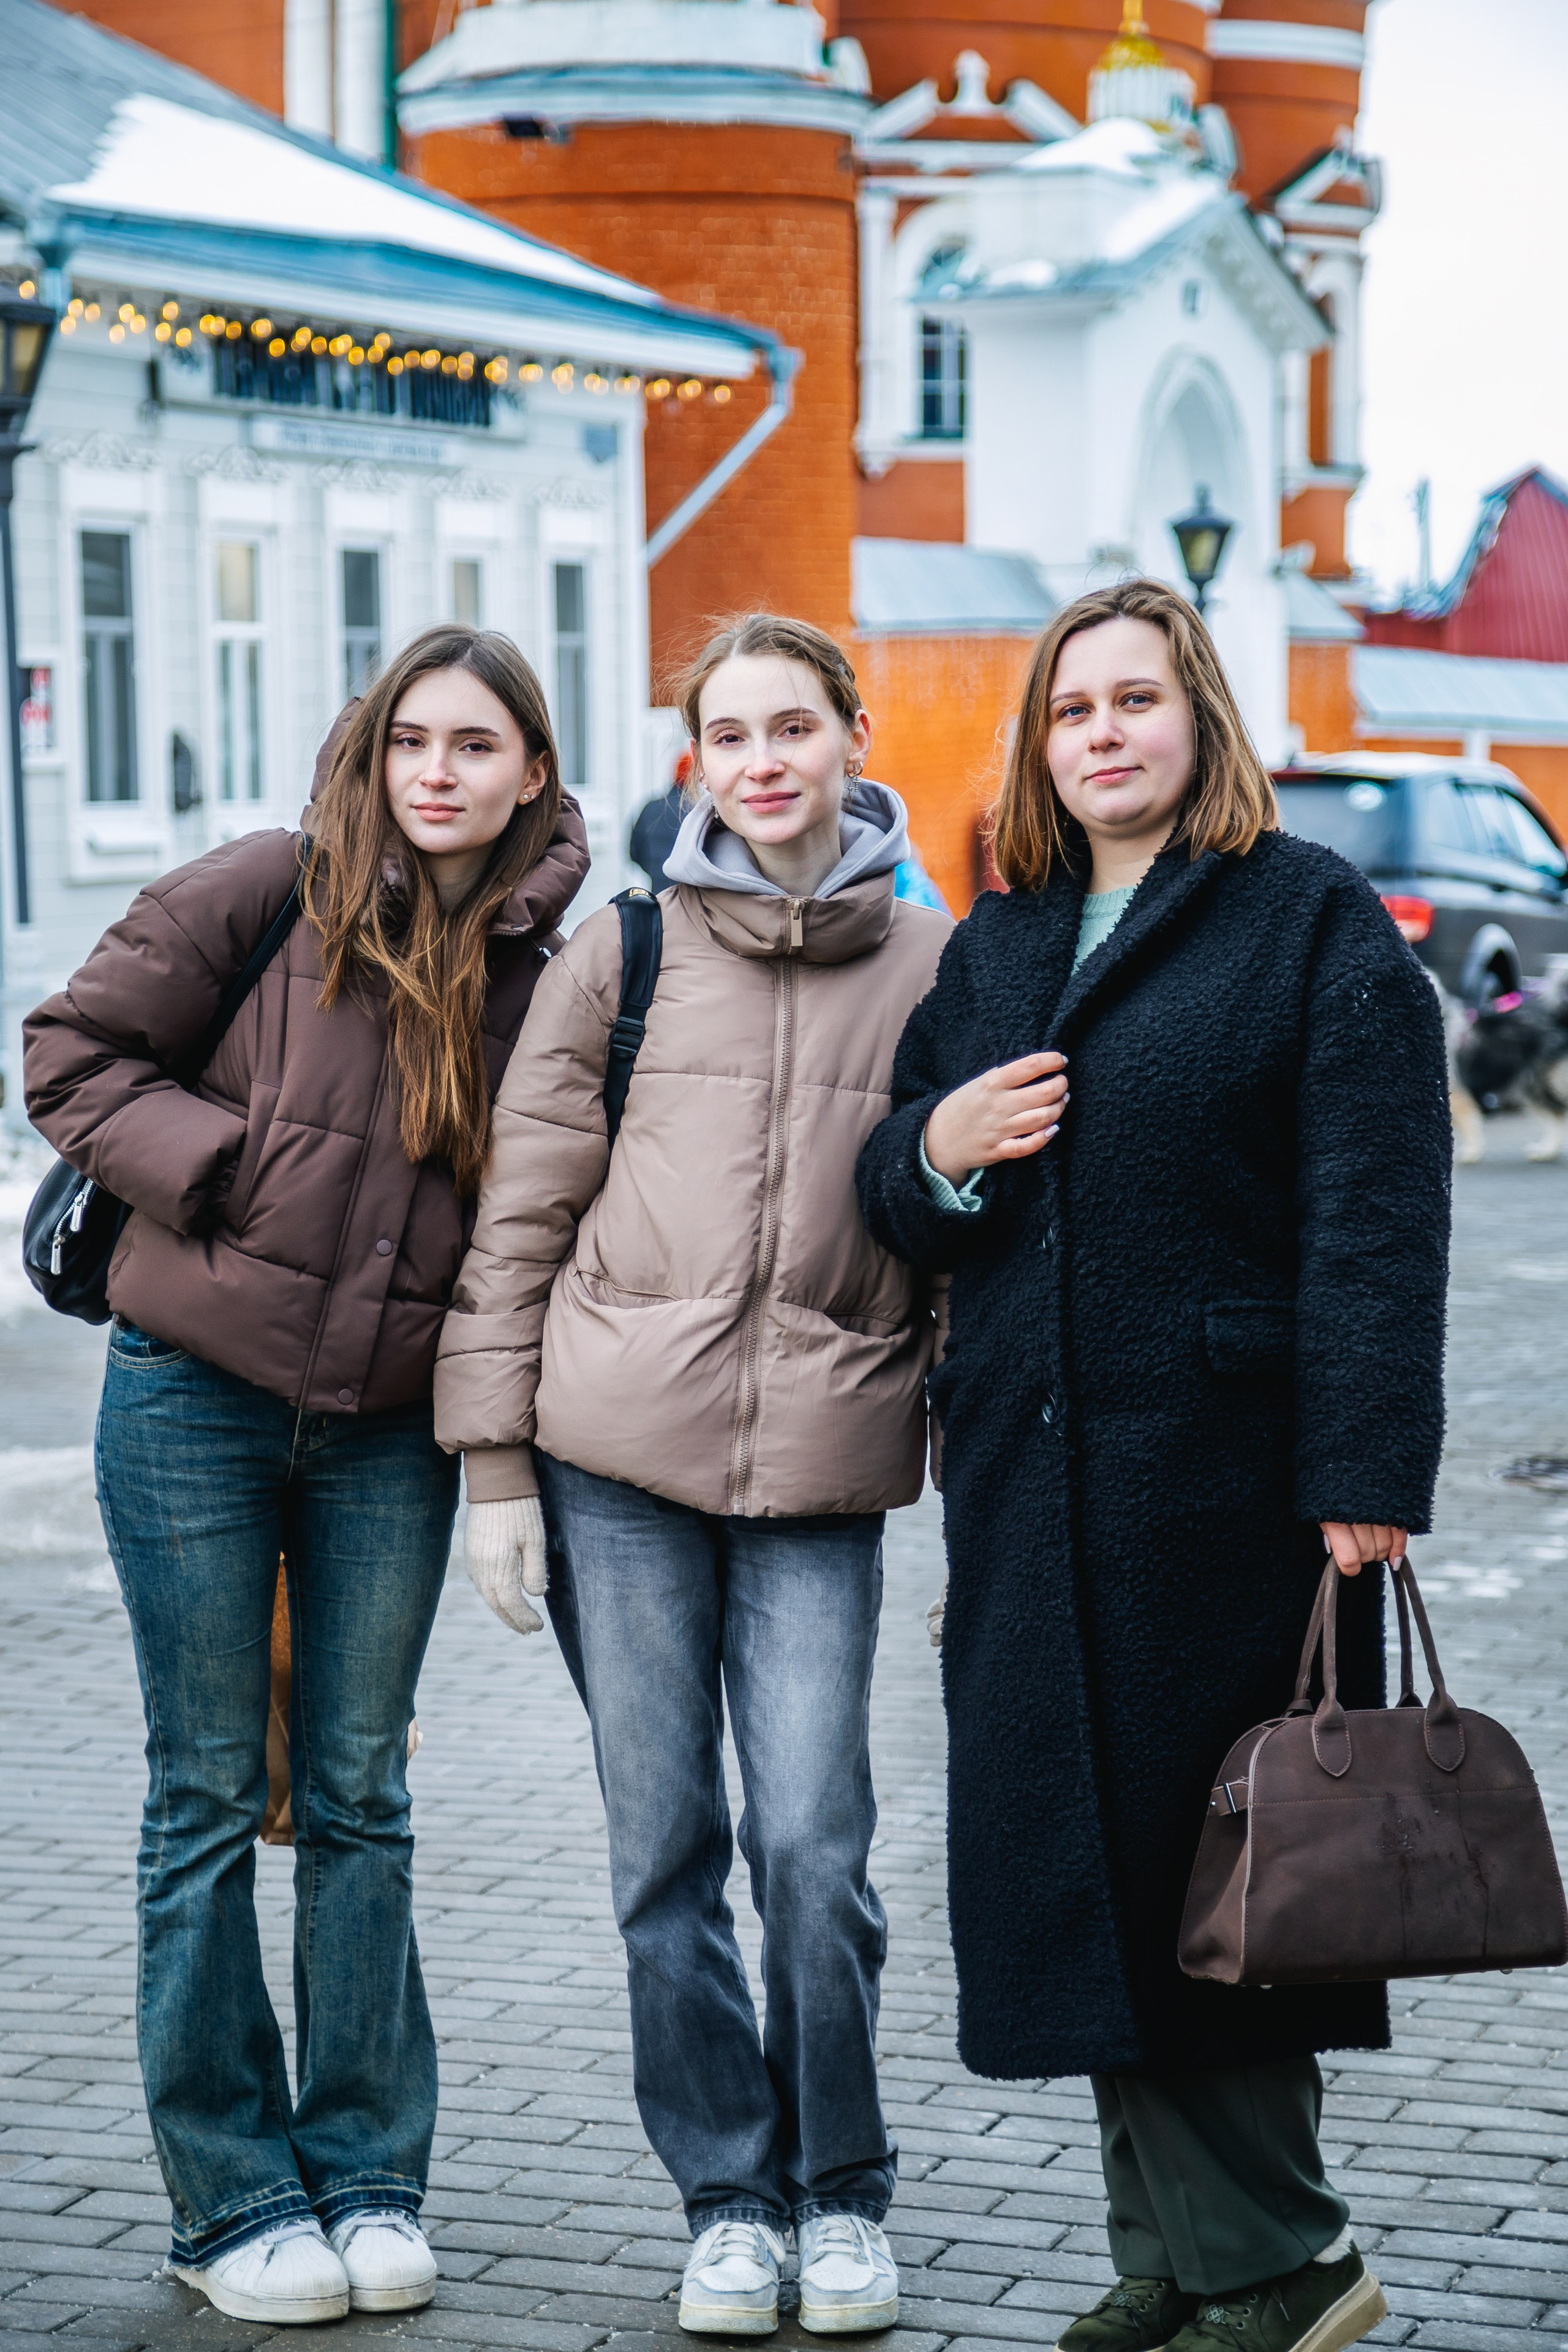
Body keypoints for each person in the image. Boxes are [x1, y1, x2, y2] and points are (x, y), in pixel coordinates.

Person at [854, 579, 1450, 2352]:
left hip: (1231, 1492)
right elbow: (900, 1195)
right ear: (1042, 745)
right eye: (1070, 710)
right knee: (1091, 1877)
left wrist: (1366, 1468)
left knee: (1233, 1880)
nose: (1102, 733)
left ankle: (1290, 2262)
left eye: (1137, 700)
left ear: (1201, 718)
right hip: (1035, 1491)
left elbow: (1377, 1218)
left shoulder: (1308, 924)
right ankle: (1179, 2261)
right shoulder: (1002, 942)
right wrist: (939, 1146)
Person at [23, 627, 589, 2331]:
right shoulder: (268, 887)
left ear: (530, 775)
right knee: (204, 1794)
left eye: (475, 744)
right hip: (189, 1396)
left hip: (384, 1441)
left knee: (359, 1798)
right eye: (411, 736)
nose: (438, 770)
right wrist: (225, 1171)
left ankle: (365, 2172)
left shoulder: (547, 964)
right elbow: (68, 1054)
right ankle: (233, 2196)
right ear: (373, 748)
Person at [433, 613, 951, 2338]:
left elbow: (977, 1231)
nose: (764, 759)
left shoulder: (943, 964)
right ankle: (729, 2197)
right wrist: (495, 1457)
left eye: (793, 724)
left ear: (852, 736)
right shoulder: (625, 951)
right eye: (729, 733)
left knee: (813, 1846)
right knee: (665, 1848)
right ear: (696, 760)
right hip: (615, 1467)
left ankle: (843, 2192)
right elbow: (523, 1213)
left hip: (823, 1466)